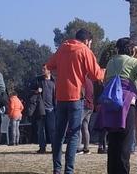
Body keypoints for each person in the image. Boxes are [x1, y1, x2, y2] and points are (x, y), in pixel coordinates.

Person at [45, 28, 105, 174]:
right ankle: (69, 170)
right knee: (74, 134)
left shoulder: (62, 48)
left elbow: (49, 65)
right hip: (76, 97)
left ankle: (57, 169)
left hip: (61, 97)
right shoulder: (84, 50)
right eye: (90, 43)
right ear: (87, 41)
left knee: (59, 134)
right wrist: (104, 71)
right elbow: (96, 75)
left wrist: (62, 71)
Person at [96, 37, 137, 174]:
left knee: (113, 142)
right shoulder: (132, 62)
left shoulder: (111, 62)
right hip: (126, 103)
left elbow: (105, 81)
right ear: (132, 49)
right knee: (125, 142)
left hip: (110, 104)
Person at [36, 65, 56, 153]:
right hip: (41, 108)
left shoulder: (54, 81)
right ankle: (42, 147)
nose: (42, 70)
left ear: (49, 70)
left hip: (51, 108)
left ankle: (54, 147)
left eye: (44, 69)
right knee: (41, 129)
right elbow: (31, 90)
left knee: (52, 129)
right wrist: (36, 91)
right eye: (42, 68)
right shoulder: (38, 80)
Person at [80, 74, 94, 154]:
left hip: (84, 105)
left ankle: (78, 147)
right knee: (85, 127)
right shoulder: (90, 82)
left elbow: (82, 93)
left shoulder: (82, 81)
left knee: (77, 126)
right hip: (90, 106)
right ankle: (86, 147)